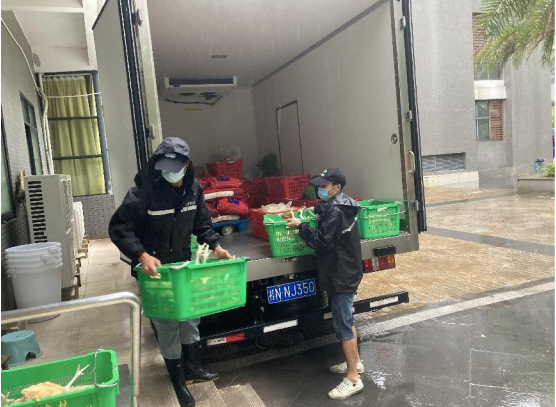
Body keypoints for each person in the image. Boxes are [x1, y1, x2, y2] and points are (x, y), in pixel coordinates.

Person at [109, 137, 233, 407]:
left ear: (186, 164)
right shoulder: (144, 191)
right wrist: (141, 255)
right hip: (155, 271)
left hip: (182, 266)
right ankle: (178, 383)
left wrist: (216, 246)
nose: (169, 173)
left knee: (189, 317)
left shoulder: (193, 189)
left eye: (174, 167)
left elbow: (202, 223)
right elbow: (119, 227)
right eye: (164, 167)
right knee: (167, 325)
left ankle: (193, 368)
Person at [286, 168, 364, 400]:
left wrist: (300, 226)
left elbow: (321, 241)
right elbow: (327, 210)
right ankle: (356, 363)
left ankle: (353, 379)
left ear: (336, 188)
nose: (320, 189)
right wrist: (314, 209)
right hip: (345, 270)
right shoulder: (343, 203)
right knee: (347, 319)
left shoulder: (336, 211)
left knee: (343, 326)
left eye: (324, 185)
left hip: (340, 274)